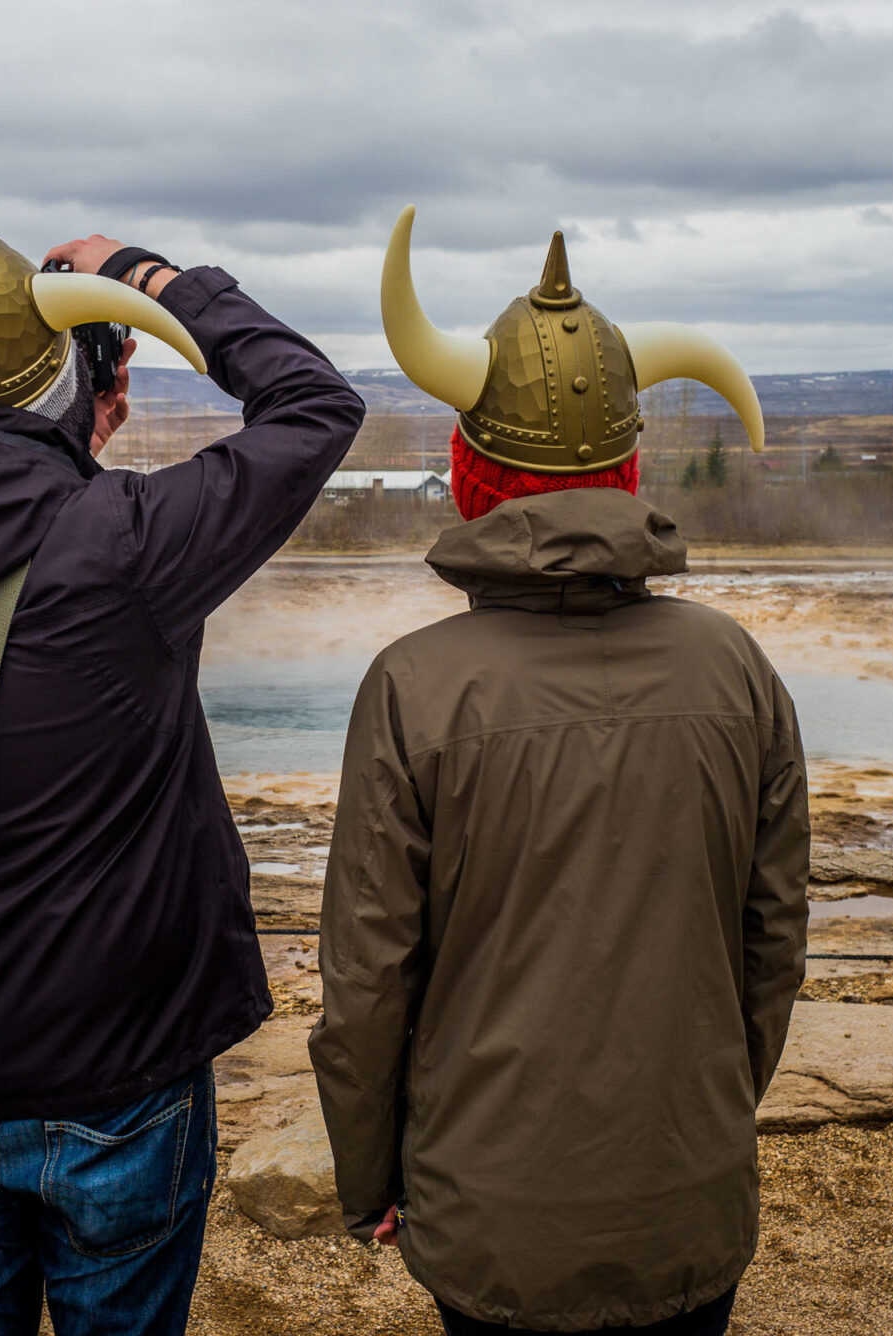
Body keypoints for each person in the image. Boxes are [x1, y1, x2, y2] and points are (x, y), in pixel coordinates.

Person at [0, 215, 363, 1335]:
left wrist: (67, 411)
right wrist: (147, 279)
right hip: (119, 1074)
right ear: (75, 376)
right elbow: (313, 406)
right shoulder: (123, 543)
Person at [309, 207, 810, 1335]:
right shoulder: (734, 667)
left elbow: (367, 981)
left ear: (465, 471)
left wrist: (369, 1177)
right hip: (689, 1192)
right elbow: (771, 944)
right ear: (629, 469)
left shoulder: (412, 685)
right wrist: (712, 1116)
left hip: (486, 1209)